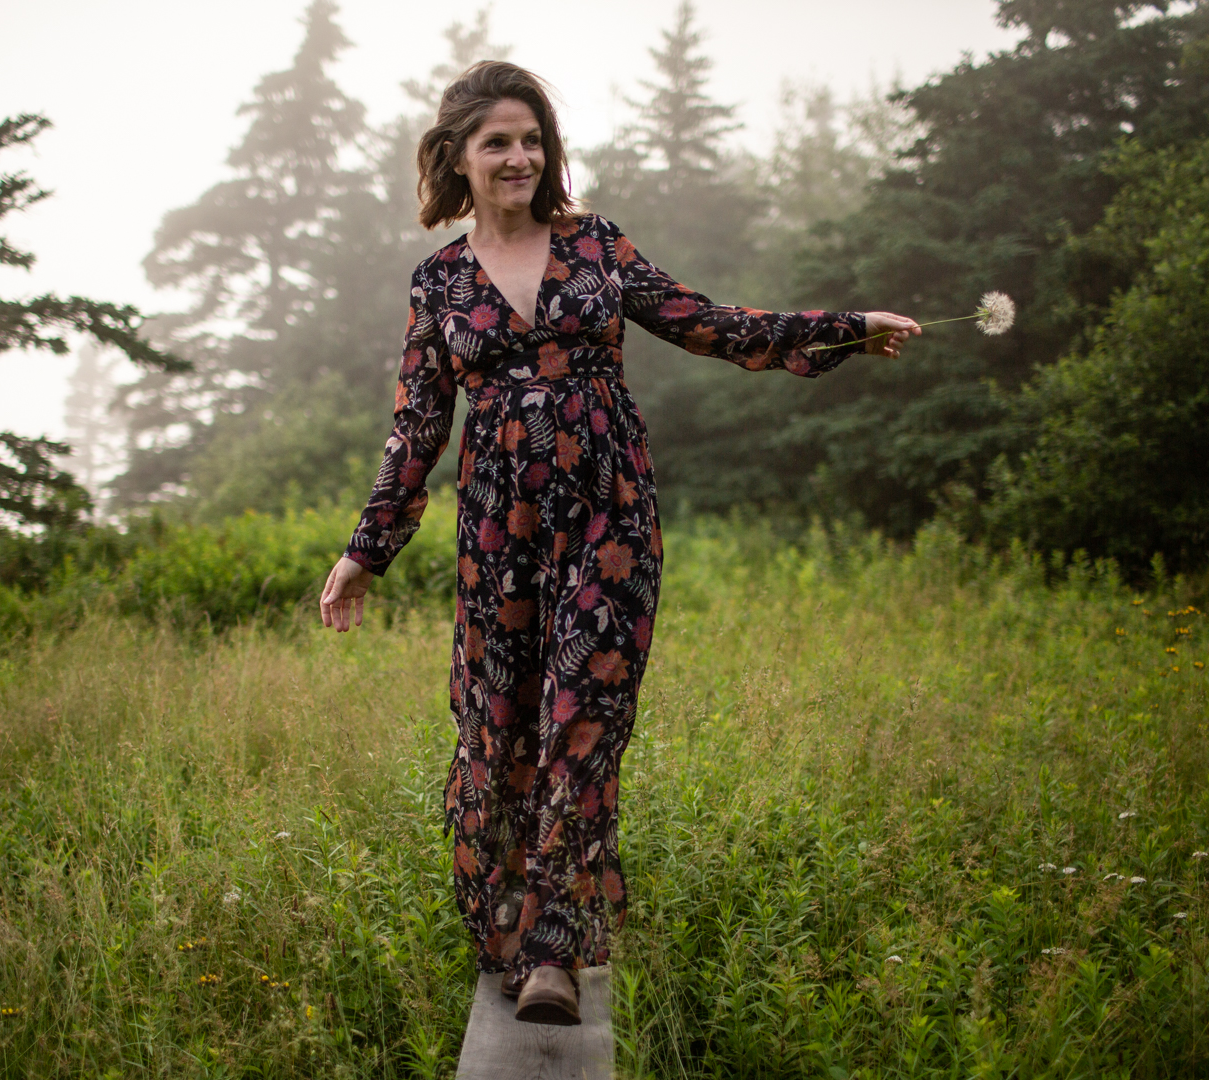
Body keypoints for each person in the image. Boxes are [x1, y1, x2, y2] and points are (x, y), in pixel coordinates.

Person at [319, 61, 918, 1027]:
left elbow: (708, 323)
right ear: (458, 159)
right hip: (498, 531)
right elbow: (416, 429)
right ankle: (510, 930)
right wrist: (365, 550)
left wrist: (843, 329)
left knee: (585, 712)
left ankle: (554, 946)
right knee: (503, 722)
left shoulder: (593, 245)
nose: (520, 156)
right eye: (497, 142)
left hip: (609, 512)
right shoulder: (438, 283)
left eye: (531, 138)